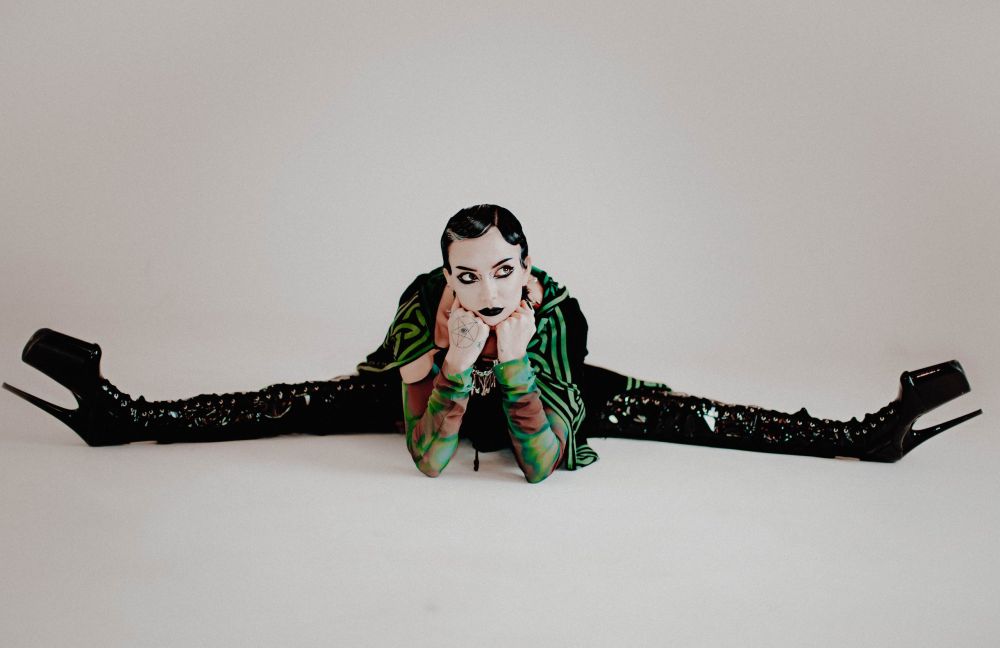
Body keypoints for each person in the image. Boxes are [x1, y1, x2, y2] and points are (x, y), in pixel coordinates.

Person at [3, 204, 983, 483]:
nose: (479, 288)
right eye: (462, 274)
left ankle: (867, 433)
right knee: (292, 398)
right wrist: (445, 359)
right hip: (427, 383)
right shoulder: (426, 300)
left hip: (536, 386)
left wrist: (511, 358)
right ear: (444, 270)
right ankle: (120, 414)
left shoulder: (554, 314)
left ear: (527, 268)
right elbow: (426, 450)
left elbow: (541, 455)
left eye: (498, 271)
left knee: (694, 413)